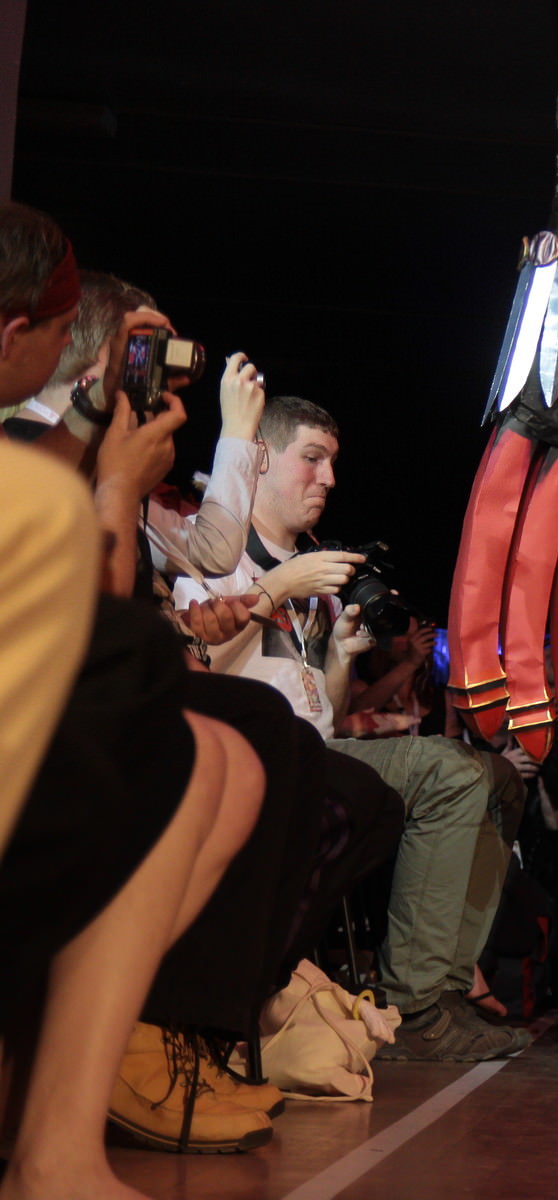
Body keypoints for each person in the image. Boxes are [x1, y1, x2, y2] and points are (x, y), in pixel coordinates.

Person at [0, 200, 268, 1193]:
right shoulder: (28, 454)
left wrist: (95, 432)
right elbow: (98, 627)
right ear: (17, 336)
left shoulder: (46, 447)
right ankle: (64, 1128)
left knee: (235, 749)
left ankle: (65, 1083)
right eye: (65, 332)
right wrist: (118, 483)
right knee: (179, 723)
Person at [175, 395, 528, 1063]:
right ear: (258, 458)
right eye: (312, 459)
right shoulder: (212, 548)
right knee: (450, 771)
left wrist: (338, 656)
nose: (329, 479)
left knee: (502, 779)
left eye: (333, 463)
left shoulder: (318, 571)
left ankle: (449, 987)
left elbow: (327, 715)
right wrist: (278, 589)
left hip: (316, 749)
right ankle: (416, 1005)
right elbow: (196, 669)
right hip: (242, 755)